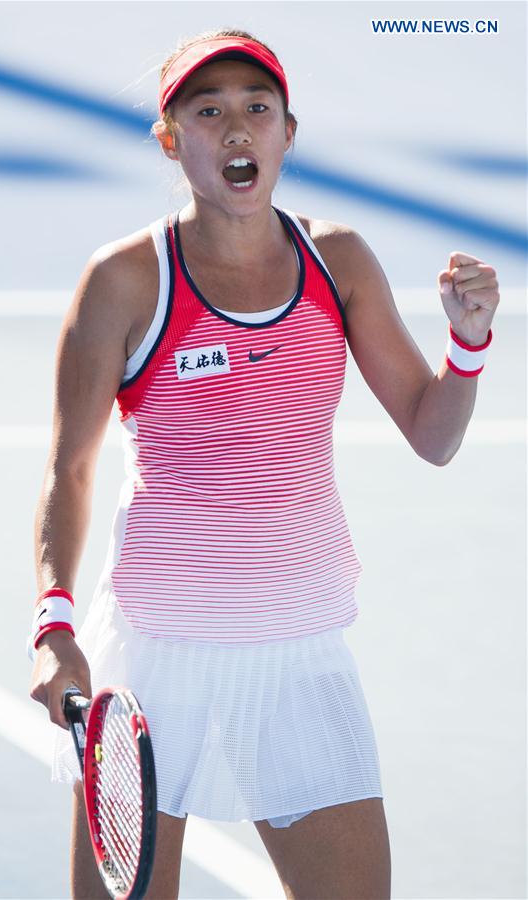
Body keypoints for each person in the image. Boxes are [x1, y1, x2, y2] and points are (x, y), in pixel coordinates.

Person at [28, 28, 500, 900]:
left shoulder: (339, 261)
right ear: (173, 142)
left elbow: (434, 437)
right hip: (155, 658)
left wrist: (467, 348)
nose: (236, 130)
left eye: (257, 110)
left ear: (288, 132)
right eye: (209, 113)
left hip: (300, 653)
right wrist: (54, 625)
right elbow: (72, 469)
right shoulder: (127, 282)